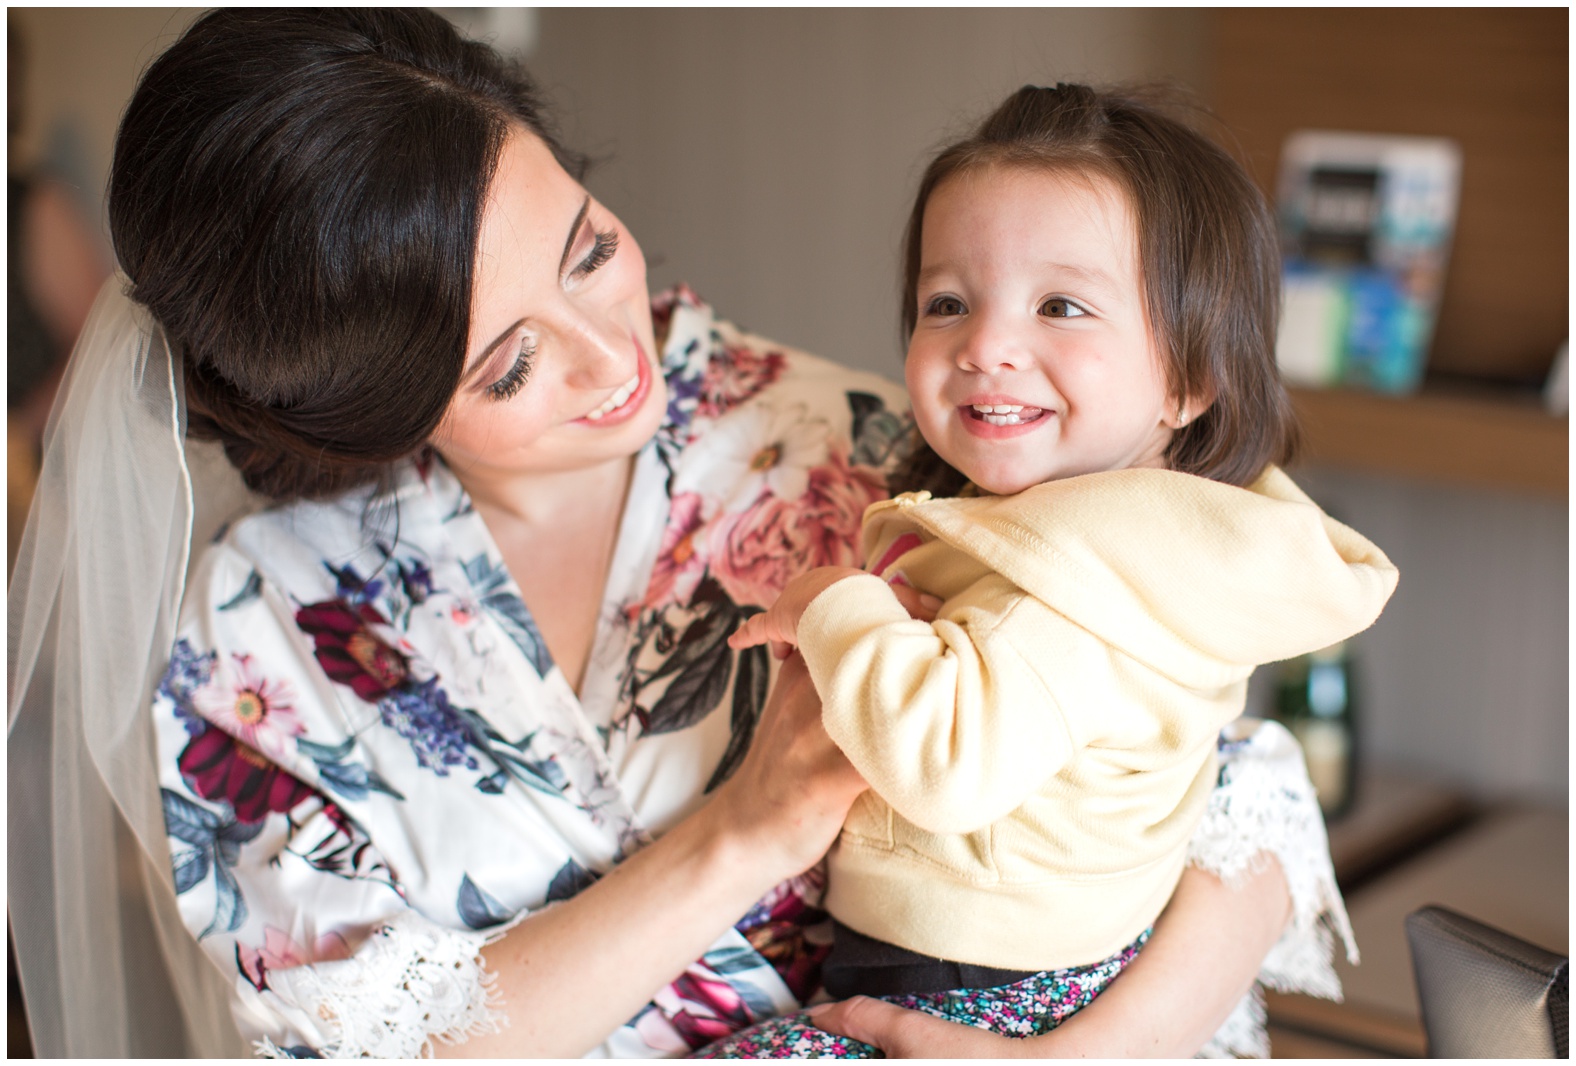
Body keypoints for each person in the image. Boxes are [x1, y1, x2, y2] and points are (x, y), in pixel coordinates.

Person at [7, 11, 1354, 1060]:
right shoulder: (254, 649)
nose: (614, 359)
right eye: (508, 366)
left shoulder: (881, 449)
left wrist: (1099, 1050)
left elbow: (1236, 789)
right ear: (366, 414)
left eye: (588, 250)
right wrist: (744, 836)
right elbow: (359, 1032)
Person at [708, 83, 1398, 1058]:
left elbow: (945, 762)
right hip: (1033, 964)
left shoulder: (1073, 580)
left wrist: (835, 602)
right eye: (946, 301)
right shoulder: (1147, 534)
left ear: (1190, 376)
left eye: (1060, 306)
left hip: (989, 996)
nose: (985, 345)